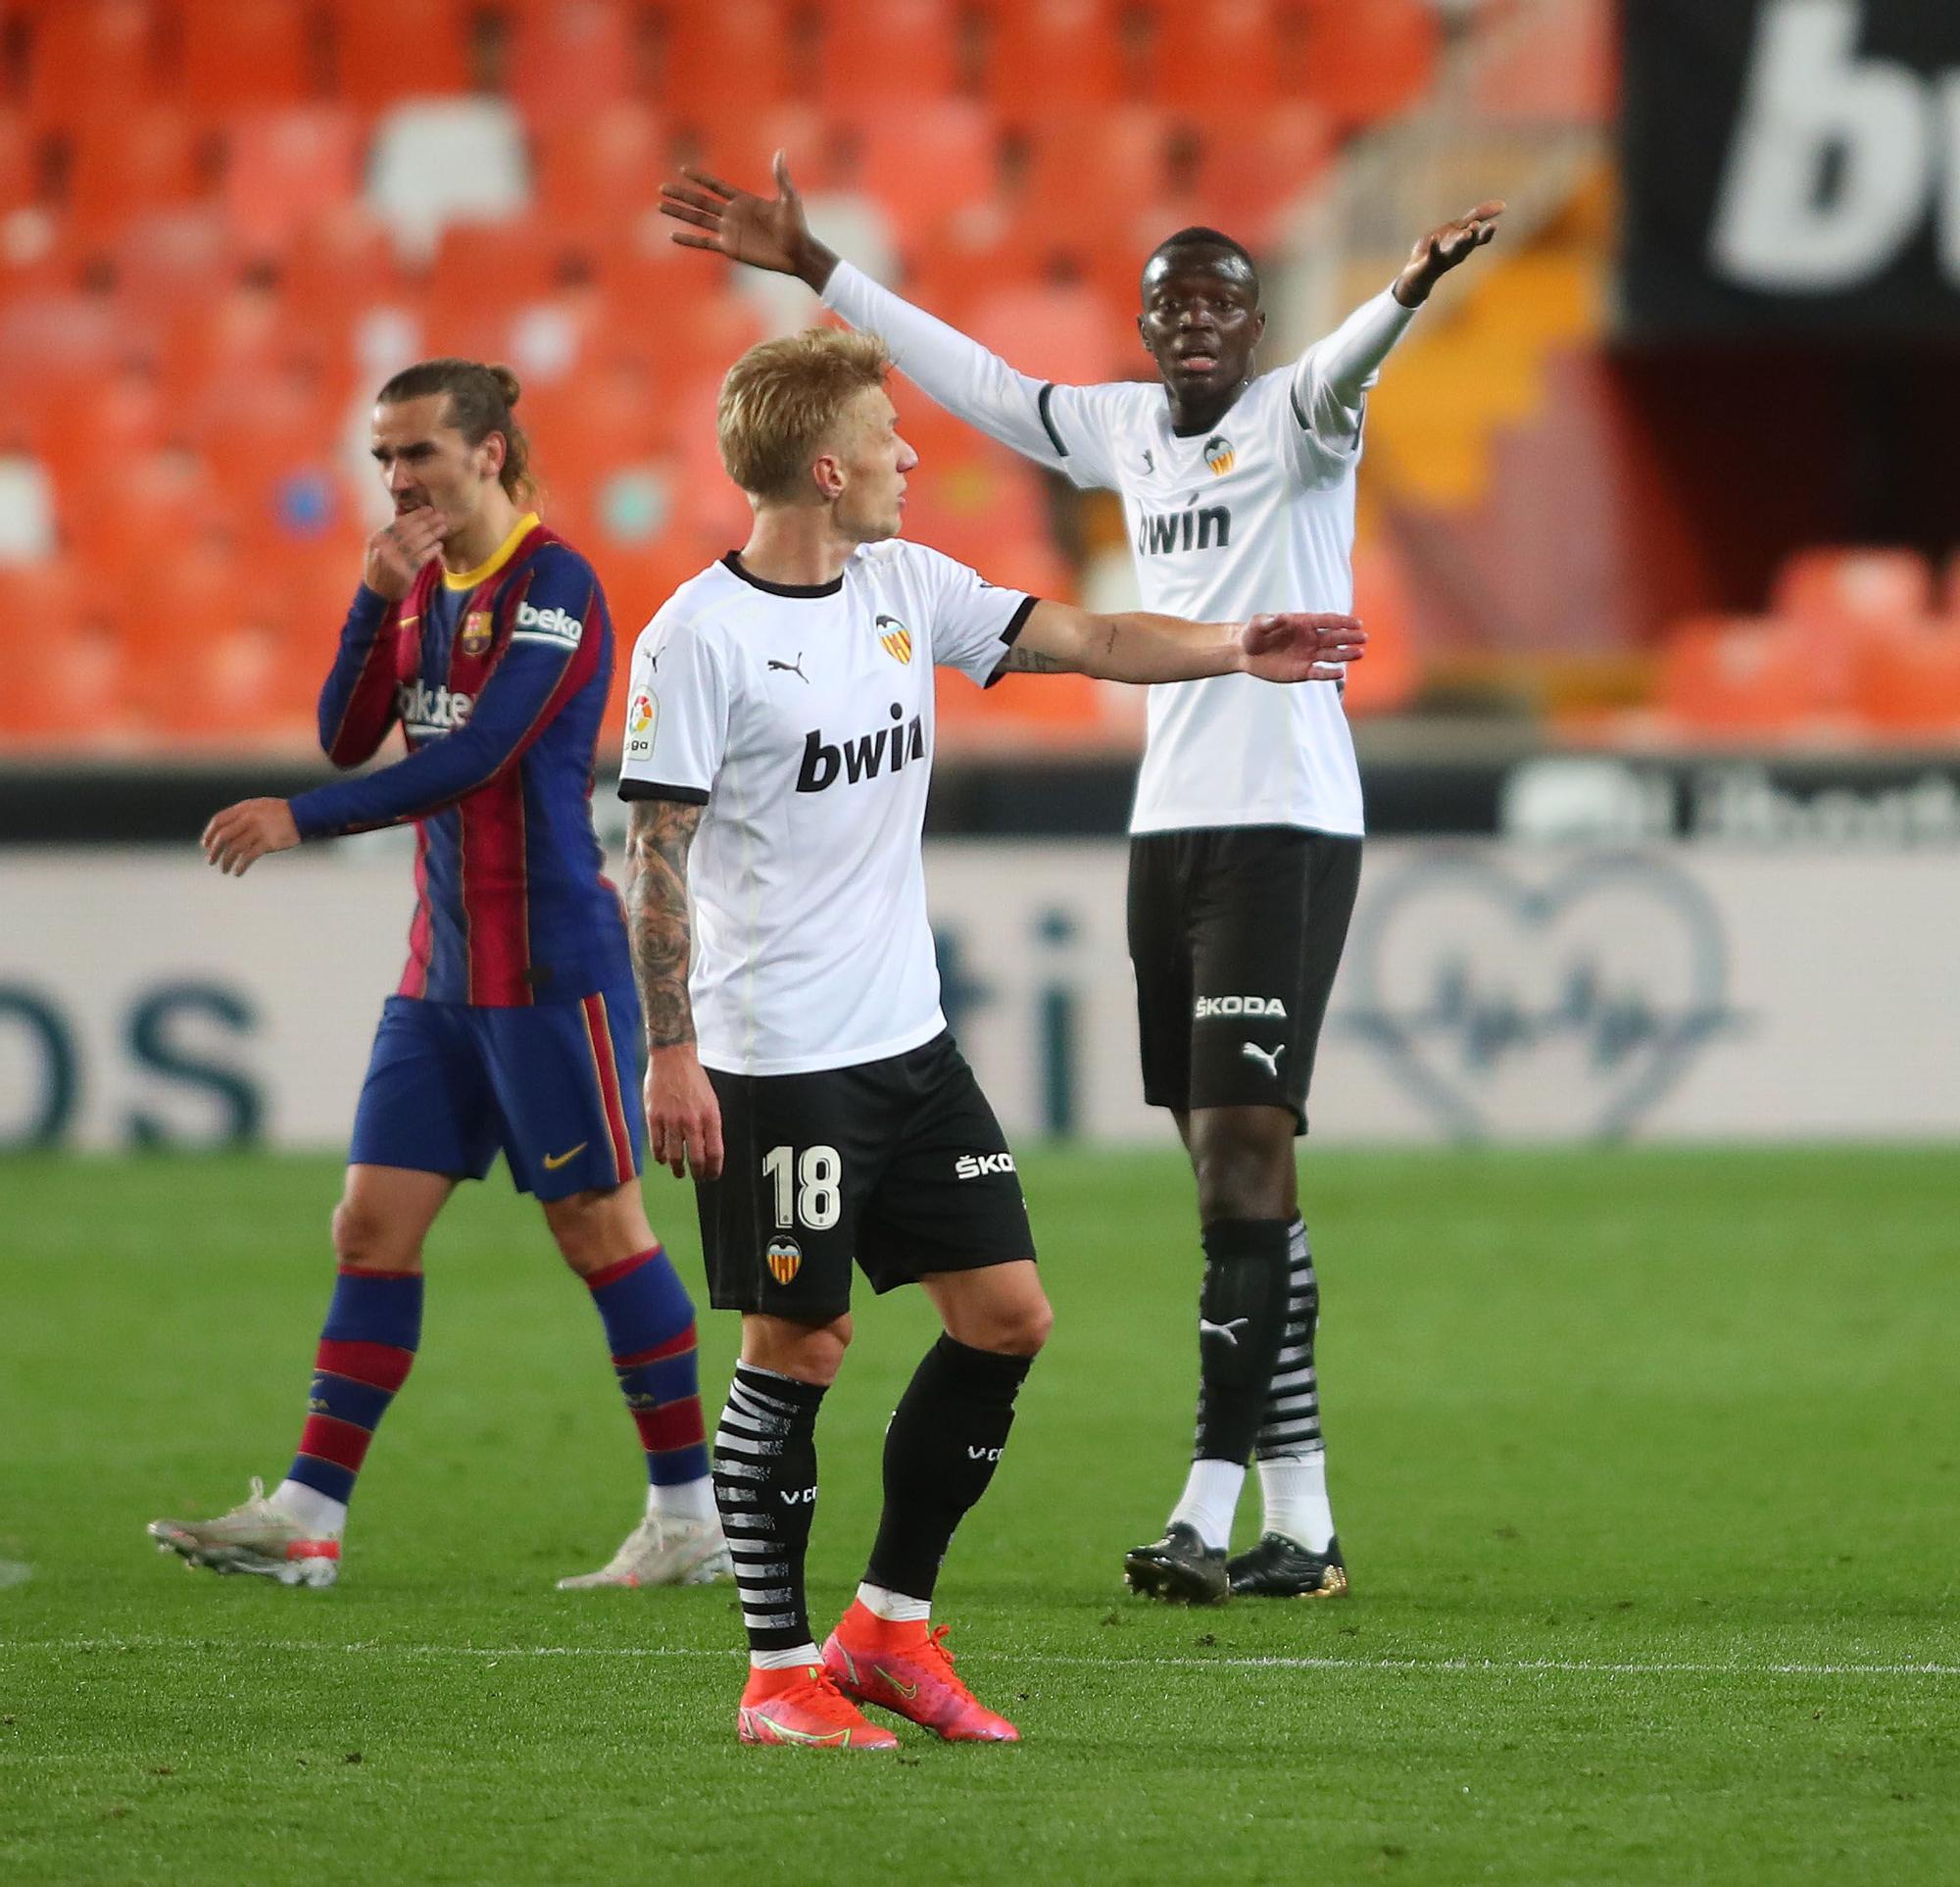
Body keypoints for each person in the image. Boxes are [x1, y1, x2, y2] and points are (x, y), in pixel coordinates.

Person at [661, 155, 1501, 1605]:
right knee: (1231, 1175)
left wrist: (1404, 291)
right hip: (1168, 827)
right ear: (1141, 320)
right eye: (1170, 298)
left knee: (1244, 1160)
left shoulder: (1300, 416)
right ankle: (1302, 1518)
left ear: (1257, 324)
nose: (1195, 320)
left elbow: (1347, 364)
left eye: (1224, 301)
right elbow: (979, 383)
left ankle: (1206, 1502)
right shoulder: (1123, 432)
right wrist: (820, 267)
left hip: (1287, 816)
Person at [615, 324, 1362, 1748]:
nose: (913, 454)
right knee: (804, 1338)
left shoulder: (904, 584)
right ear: (827, 468)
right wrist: (670, 1049)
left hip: (910, 1043)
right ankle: (776, 1677)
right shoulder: (695, 639)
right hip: (780, 1057)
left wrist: (1231, 647)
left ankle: (888, 1629)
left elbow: (1081, 634)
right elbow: (654, 852)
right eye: (888, 437)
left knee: (1007, 1315)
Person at [147, 360, 727, 1594]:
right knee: (368, 1225)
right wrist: (369, 602)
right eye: (383, 459)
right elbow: (349, 731)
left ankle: (688, 1515)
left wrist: (302, 822)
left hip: (553, 969)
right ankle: (308, 1516)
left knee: (597, 1229)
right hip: (442, 973)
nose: (398, 479)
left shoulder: (556, 584)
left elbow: (480, 760)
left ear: (491, 452)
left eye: (418, 453)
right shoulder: (418, 591)